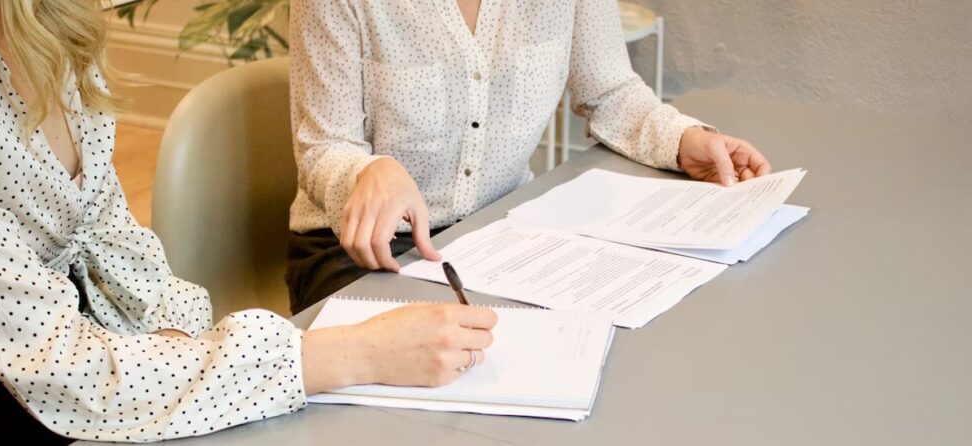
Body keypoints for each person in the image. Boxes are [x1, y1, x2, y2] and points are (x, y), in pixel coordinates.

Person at [0, 1, 496, 443]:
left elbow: (116, 247)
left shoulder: (58, 26)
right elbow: (64, 370)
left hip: (85, 354)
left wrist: (175, 348)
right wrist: (357, 354)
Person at [285, 0, 774, 312]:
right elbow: (323, 146)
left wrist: (684, 139)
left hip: (499, 237)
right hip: (360, 252)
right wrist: (368, 172)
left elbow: (609, 91)